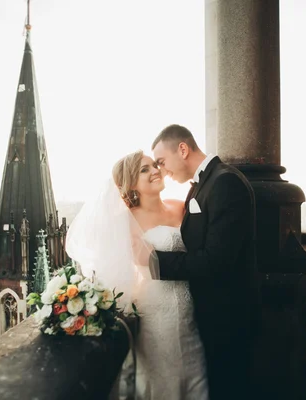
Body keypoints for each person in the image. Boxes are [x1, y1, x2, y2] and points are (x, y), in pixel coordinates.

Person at [66, 149, 209, 400]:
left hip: (193, 306)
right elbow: (145, 261)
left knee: (197, 377)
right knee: (164, 382)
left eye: (154, 165)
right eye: (145, 169)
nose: (155, 170)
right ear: (131, 184)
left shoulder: (180, 207)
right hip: (157, 309)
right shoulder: (125, 220)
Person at [152, 124, 257, 400]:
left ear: (183, 149)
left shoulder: (225, 182)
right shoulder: (202, 185)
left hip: (228, 319)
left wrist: (154, 261)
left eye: (162, 162)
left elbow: (217, 261)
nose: (162, 170)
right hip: (211, 316)